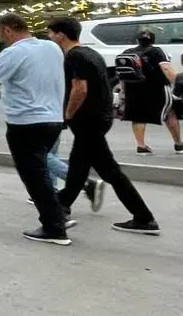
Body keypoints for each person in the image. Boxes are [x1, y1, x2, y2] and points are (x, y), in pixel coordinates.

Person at [0, 13, 69, 245]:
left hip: (26, 123)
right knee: (41, 171)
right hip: (53, 120)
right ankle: (58, 216)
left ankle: (54, 228)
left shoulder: (13, 53)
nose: (1, 38)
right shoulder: (51, 47)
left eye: (1, 33)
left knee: (34, 177)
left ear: (8, 30)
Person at [46, 17, 160, 236]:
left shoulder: (74, 56)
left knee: (110, 171)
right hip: (98, 119)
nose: (50, 37)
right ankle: (62, 206)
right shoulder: (91, 53)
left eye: (51, 33)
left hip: (87, 121)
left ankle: (144, 218)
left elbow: (80, 88)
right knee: (81, 167)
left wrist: (67, 115)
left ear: (60, 35)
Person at [121, 28, 183, 155]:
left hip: (133, 88)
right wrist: (178, 84)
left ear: (137, 40)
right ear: (153, 40)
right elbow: (166, 68)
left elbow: (123, 74)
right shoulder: (157, 51)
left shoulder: (127, 52)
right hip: (157, 87)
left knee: (138, 116)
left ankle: (141, 146)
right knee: (170, 113)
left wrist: (123, 91)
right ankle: (179, 144)